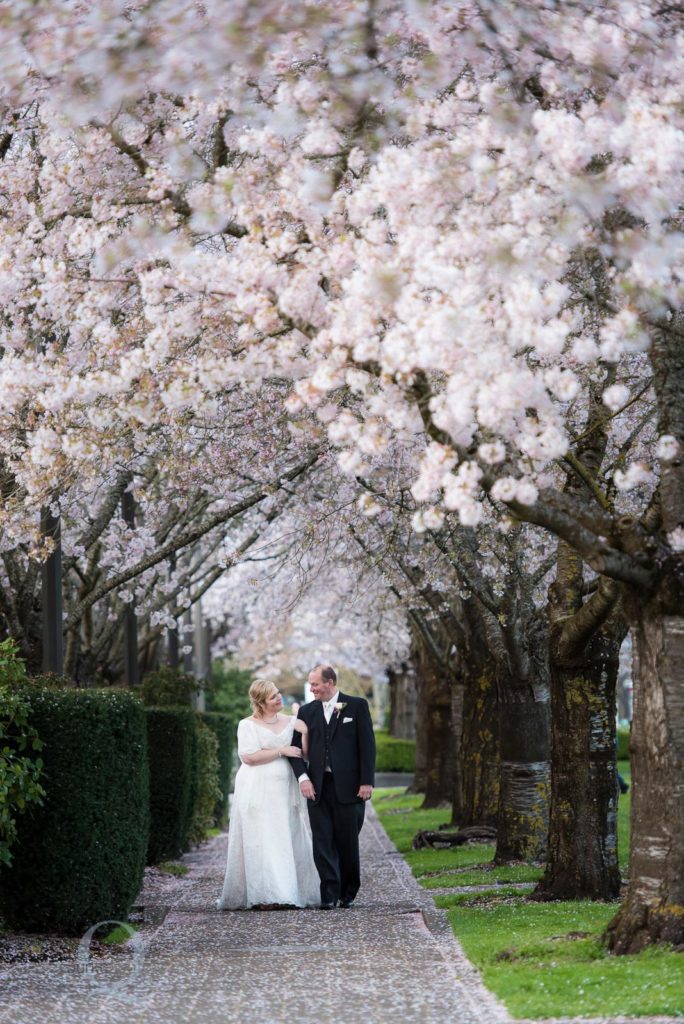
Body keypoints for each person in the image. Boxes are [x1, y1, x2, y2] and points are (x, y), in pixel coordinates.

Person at [216, 679, 320, 910]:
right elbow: (249, 757)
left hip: (285, 787)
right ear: (261, 703)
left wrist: (303, 733)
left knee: (286, 834)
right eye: (273, 696)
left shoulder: (291, 721)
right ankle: (264, 895)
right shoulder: (247, 725)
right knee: (262, 839)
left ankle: (290, 892)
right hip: (257, 787)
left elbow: (303, 753)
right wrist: (280, 750)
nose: (279, 697)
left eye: (278, 693)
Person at [289, 664, 376, 909]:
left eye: (315, 683)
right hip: (317, 787)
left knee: (347, 840)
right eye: (310, 684)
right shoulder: (306, 711)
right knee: (322, 840)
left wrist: (366, 781)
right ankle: (328, 893)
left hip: (350, 787)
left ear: (330, 682)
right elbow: (295, 751)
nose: (311, 688)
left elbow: (367, 746)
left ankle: (348, 891)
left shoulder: (356, 706)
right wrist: (303, 779)